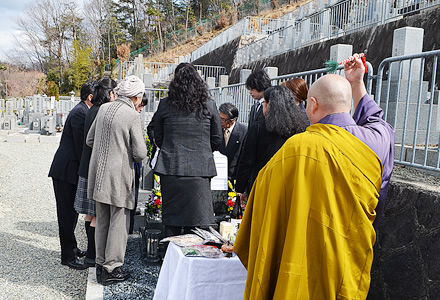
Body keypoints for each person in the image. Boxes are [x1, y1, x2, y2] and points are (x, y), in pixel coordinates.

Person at [234, 55, 394, 299]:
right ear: (349, 106)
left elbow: (260, 206)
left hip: (297, 268)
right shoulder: (376, 142)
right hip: (345, 266)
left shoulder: (294, 149)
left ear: (313, 105)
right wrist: (357, 83)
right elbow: (376, 120)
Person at [87, 75, 147, 285]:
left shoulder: (103, 108)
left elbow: (90, 139)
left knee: (102, 220)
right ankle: (112, 268)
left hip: (98, 173)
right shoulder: (132, 116)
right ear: (137, 97)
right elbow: (140, 153)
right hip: (119, 175)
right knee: (119, 222)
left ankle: (100, 265)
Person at [153, 62, 222, 237]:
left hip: (172, 167)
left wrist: (168, 146)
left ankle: (170, 259)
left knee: (173, 220)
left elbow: (156, 133)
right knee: (198, 221)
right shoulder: (209, 105)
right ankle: (194, 262)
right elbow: (217, 138)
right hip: (199, 169)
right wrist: (204, 151)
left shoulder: (166, 104)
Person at [48, 81, 95, 270]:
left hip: (69, 170)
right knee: (66, 215)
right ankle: (67, 256)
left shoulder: (82, 110)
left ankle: (73, 248)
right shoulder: (80, 113)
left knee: (72, 213)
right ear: (90, 97)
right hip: (66, 170)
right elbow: (80, 146)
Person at [74, 77, 117, 268]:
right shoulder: (103, 111)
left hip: (85, 166)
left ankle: (90, 253)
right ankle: (92, 255)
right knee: (97, 215)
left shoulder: (92, 109)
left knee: (89, 215)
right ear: (109, 93)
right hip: (95, 168)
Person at [235, 85, 308, 195]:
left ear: (270, 105)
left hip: (262, 185)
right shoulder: (300, 127)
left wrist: (240, 189)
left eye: (264, 102)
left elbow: (247, 161)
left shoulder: (258, 127)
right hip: (289, 186)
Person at [129, 93, 149, 234]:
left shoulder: (137, 116)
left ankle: (129, 228)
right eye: (141, 105)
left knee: (133, 197)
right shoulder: (132, 116)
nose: (141, 108)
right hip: (132, 161)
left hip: (137, 163)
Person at [217, 103, 248, 182]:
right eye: (218, 118)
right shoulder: (216, 130)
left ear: (233, 121)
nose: (220, 122)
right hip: (218, 176)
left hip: (234, 177)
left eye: (223, 120)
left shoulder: (244, 131)